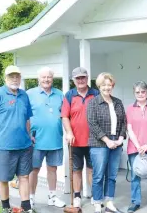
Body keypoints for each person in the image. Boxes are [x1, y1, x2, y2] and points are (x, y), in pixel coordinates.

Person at [0, 65, 34, 213]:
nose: (15, 79)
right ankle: (6, 207)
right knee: (4, 179)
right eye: (11, 76)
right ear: (5, 78)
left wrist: (29, 137)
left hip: (24, 145)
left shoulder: (24, 95)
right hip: (3, 146)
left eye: (17, 76)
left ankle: (26, 207)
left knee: (24, 176)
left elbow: (27, 118)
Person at [87, 72, 127, 213]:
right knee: (98, 175)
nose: (106, 87)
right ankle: (98, 203)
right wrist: (107, 140)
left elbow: (123, 122)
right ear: (99, 86)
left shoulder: (117, 102)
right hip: (99, 144)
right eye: (103, 85)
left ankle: (109, 202)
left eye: (109, 85)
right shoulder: (93, 102)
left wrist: (121, 138)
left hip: (116, 143)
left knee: (112, 175)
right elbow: (92, 124)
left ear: (113, 86)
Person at [27, 67, 66, 208]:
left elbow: (66, 115)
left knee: (53, 169)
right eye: (43, 77)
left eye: (49, 77)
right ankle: (30, 198)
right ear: (38, 79)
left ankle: (52, 197)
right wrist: (27, 135)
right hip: (35, 140)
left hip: (55, 139)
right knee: (33, 170)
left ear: (52, 78)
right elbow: (23, 116)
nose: (46, 79)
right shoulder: (29, 94)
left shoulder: (60, 94)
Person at [61, 67, 99, 208]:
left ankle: (95, 196)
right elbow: (65, 116)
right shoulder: (69, 95)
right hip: (75, 141)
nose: (81, 80)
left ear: (87, 78)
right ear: (73, 80)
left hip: (93, 141)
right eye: (78, 78)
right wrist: (69, 132)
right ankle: (77, 195)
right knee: (76, 169)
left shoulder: (96, 93)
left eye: (83, 77)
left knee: (92, 169)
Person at [126, 81, 147, 213]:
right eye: (137, 92)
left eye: (143, 91)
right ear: (134, 93)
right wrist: (138, 145)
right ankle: (135, 202)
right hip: (134, 147)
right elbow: (129, 128)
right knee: (135, 176)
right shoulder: (130, 108)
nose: (140, 94)